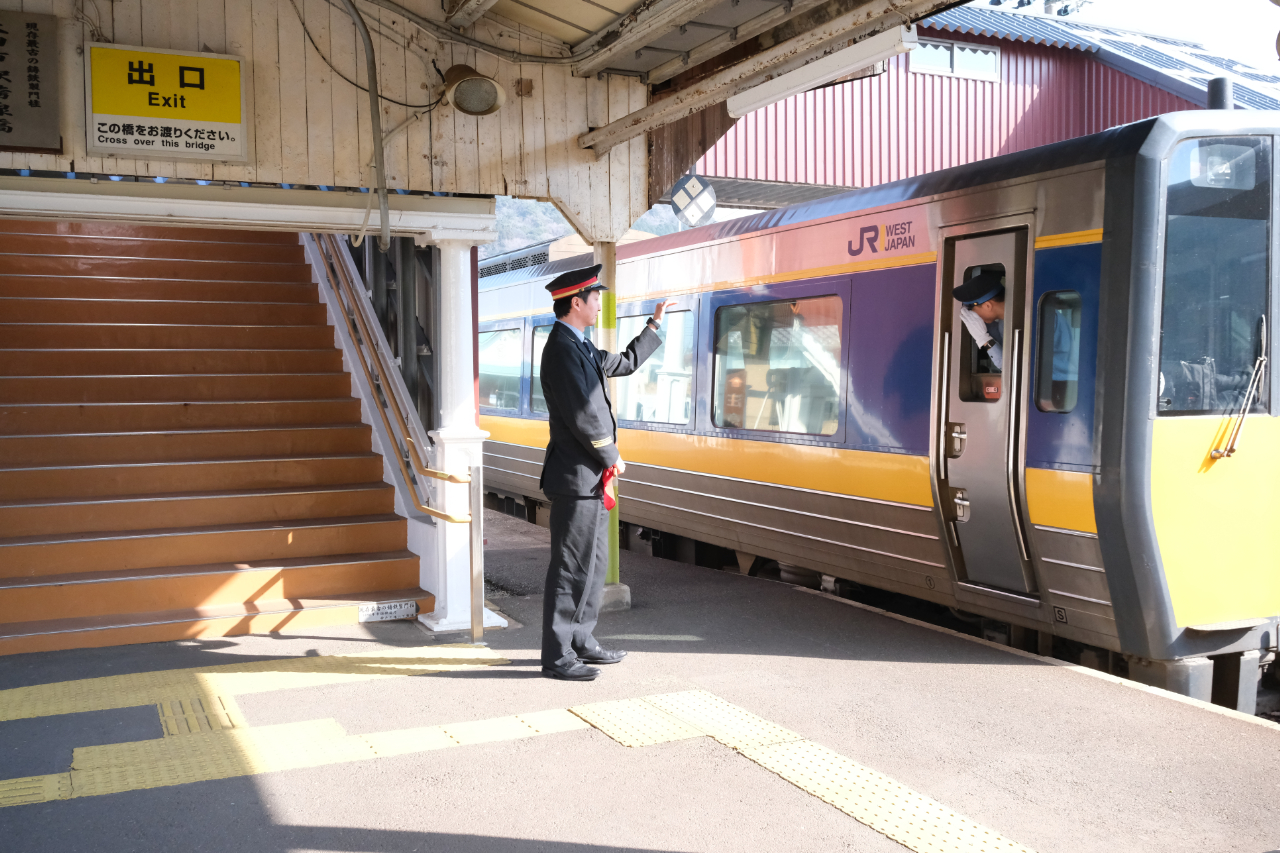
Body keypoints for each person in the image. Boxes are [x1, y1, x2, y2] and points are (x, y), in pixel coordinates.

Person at [537, 263, 676, 681]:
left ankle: (581, 639)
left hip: (590, 479)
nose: (600, 303)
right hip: (576, 478)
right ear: (576, 303)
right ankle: (557, 655)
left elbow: (626, 362)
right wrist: (611, 455)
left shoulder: (580, 345)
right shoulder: (561, 351)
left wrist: (654, 325)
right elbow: (583, 417)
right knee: (569, 568)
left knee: (593, 566)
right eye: (595, 297)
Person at [954, 270, 1006, 370]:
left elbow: (1007, 366)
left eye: (974, 312)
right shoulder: (1002, 323)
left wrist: (984, 339)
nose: (975, 317)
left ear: (987, 305)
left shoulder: (1022, 321)